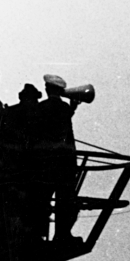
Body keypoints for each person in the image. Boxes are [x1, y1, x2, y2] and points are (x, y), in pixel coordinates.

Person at [36, 74, 80, 245]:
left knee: (43, 201)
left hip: (46, 164)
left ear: (47, 89)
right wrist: (72, 109)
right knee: (66, 201)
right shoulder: (63, 108)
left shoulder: (41, 108)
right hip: (64, 164)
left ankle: (38, 236)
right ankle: (63, 234)